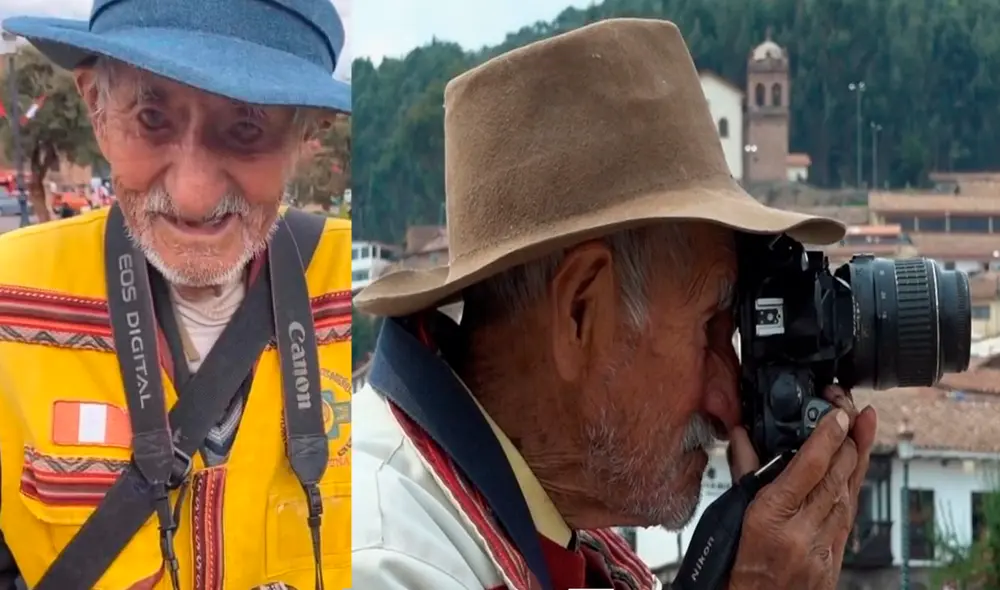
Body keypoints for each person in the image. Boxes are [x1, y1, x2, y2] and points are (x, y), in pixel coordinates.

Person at [352, 18, 878, 590]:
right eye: (709, 328)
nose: (729, 406)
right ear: (581, 313)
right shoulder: (383, 561)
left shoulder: (549, 530)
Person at [0, 0, 352, 589]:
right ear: (95, 107)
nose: (192, 196)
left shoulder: (354, 293)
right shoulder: (10, 297)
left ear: (305, 133)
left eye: (246, 127)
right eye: (151, 118)